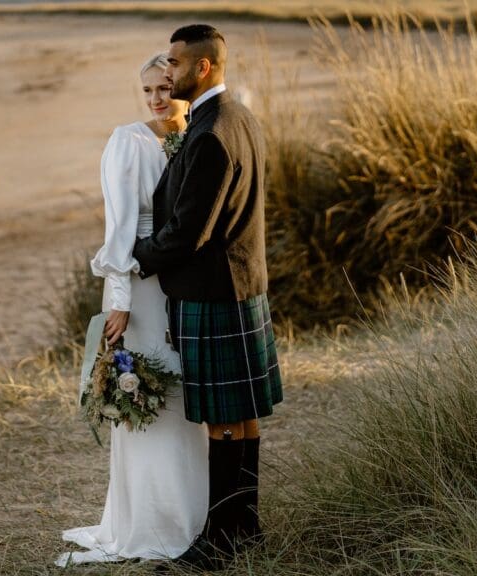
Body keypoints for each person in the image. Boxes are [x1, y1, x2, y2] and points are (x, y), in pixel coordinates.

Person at [133, 24, 283, 572]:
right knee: (241, 415)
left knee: (222, 418)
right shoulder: (238, 117)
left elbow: (189, 231)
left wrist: (137, 255)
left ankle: (220, 541)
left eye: (174, 63)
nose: (166, 72)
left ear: (203, 68)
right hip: (240, 284)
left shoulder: (212, 132)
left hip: (214, 290)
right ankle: (245, 525)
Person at [55, 53, 209, 567]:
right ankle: (148, 521)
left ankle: (194, 516)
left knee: (185, 394)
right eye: (147, 91)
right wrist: (118, 300)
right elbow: (118, 226)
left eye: (165, 87)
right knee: (146, 392)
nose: (157, 99)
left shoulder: (199, 138)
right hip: (138, 288)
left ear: (188, 83)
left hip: (185, 286)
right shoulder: (129, 141)